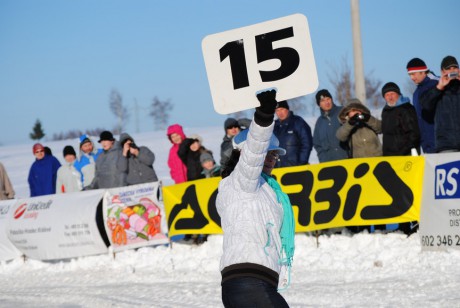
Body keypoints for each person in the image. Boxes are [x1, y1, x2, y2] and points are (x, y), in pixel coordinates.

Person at [217, 90, 294, 307]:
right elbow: (254, 153)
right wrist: (263, 116)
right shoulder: (242, 182)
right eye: (267, 153)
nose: (272, 159)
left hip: (258, 280)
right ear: (243, 153)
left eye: (275, 155)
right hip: (248, 279)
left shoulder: (266, 189)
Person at [420, 55, 460, 153]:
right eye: (448, 69)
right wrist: (439, 87)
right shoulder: (436, 88)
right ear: (442, 71)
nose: (452, 71)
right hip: (446, 145)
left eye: (455, 68)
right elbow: (425, 105)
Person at [406, 58, 438, 153]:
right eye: (409, 75)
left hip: (439, 141)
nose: (411, 78)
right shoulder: (416, 92)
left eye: (413, 74)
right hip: (426, 143)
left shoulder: (436, 84)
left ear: (423, 72)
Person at [381, 82, 421, 156]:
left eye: (392, 94)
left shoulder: (406, 108)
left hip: (405, 155)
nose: (390, 97)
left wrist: (403, 152)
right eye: (387, 95)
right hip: (389, 156)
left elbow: (414, 134)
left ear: (398, 94)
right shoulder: (385, 111)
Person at [313, 89, 349, 162]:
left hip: (347, 160)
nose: (327, 102)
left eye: (328, 99)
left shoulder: (343, 112)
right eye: (323, 100)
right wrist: (323, 159)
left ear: (331, 99)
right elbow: (317, 144)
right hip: (329, 164)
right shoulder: (319, 122)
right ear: (319, 104)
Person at [273, 100, 313, 167]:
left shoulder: (298, 122)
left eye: (282, 109)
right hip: (278, 170)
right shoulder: (274, 126)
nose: (280, 113)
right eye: (277, 110)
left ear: (287, 109)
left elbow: (307, 143)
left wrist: (301, 162)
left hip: (296, 167)